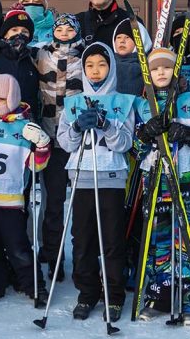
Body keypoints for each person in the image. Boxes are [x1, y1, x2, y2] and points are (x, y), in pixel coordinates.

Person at [132, 47, 190, 324]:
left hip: (189, 176)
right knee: (158, 239)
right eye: (155, 68)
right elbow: (133, 149)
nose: (161, 73)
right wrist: (145, 134)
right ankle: (160, 294)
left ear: (176, 71)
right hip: (155, 176)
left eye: (166, 68)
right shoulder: (141, 104)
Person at [57, 42, 135, 321]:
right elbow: (64, 142)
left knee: (112, 240)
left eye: (101, 64)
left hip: (111, 177)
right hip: (82, 178)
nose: (95, 70)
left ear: (111, 67)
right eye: (90, 65)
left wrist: (106, 125)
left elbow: (125, 143)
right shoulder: (73, 102)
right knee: (83, 240)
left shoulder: (123, 102)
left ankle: (114, 295)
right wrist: (78, 126)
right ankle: (87, 293)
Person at [0, 74, 50, 305]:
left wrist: (42, 144)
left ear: (12, 99)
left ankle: (33, 285)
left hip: (9, 200)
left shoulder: (22, 127)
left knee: (18, 247)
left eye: (1, 99)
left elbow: (37, 165)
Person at [34, 14, 84, 280]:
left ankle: (81, 257)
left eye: (69, 28)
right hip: (50, 136)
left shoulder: (87, 56)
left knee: (80, 204)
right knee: (54, 202)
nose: (64, 33)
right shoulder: (41, 54)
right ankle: (53, 256)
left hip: (77, 138)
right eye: (60, 29)